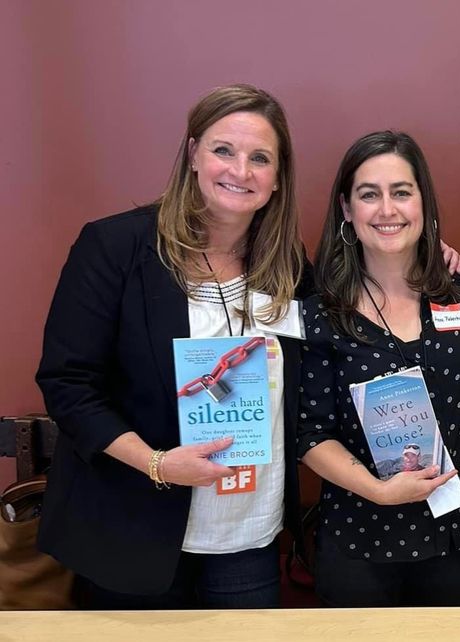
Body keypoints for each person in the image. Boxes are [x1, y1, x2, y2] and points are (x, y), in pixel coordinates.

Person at [35, 84, 310, 608]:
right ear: (192, 154)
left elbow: (340, 328)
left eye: (260, 158)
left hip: (248, 532)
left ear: (278, 178)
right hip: (132, 527)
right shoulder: (115, 247)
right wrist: (157, 464)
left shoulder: (286, 264)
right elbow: (68, 385)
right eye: (223, 150)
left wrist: (423, 256)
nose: (240, 170)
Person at [298, 131, 460, 608]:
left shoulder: (458, 290)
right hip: (362, 542)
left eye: (401, 192)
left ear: (423, 202)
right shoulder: (320, 313)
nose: (387, 209)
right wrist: (377, 491)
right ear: (346, 208)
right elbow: (310, 433)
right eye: (369, 195)